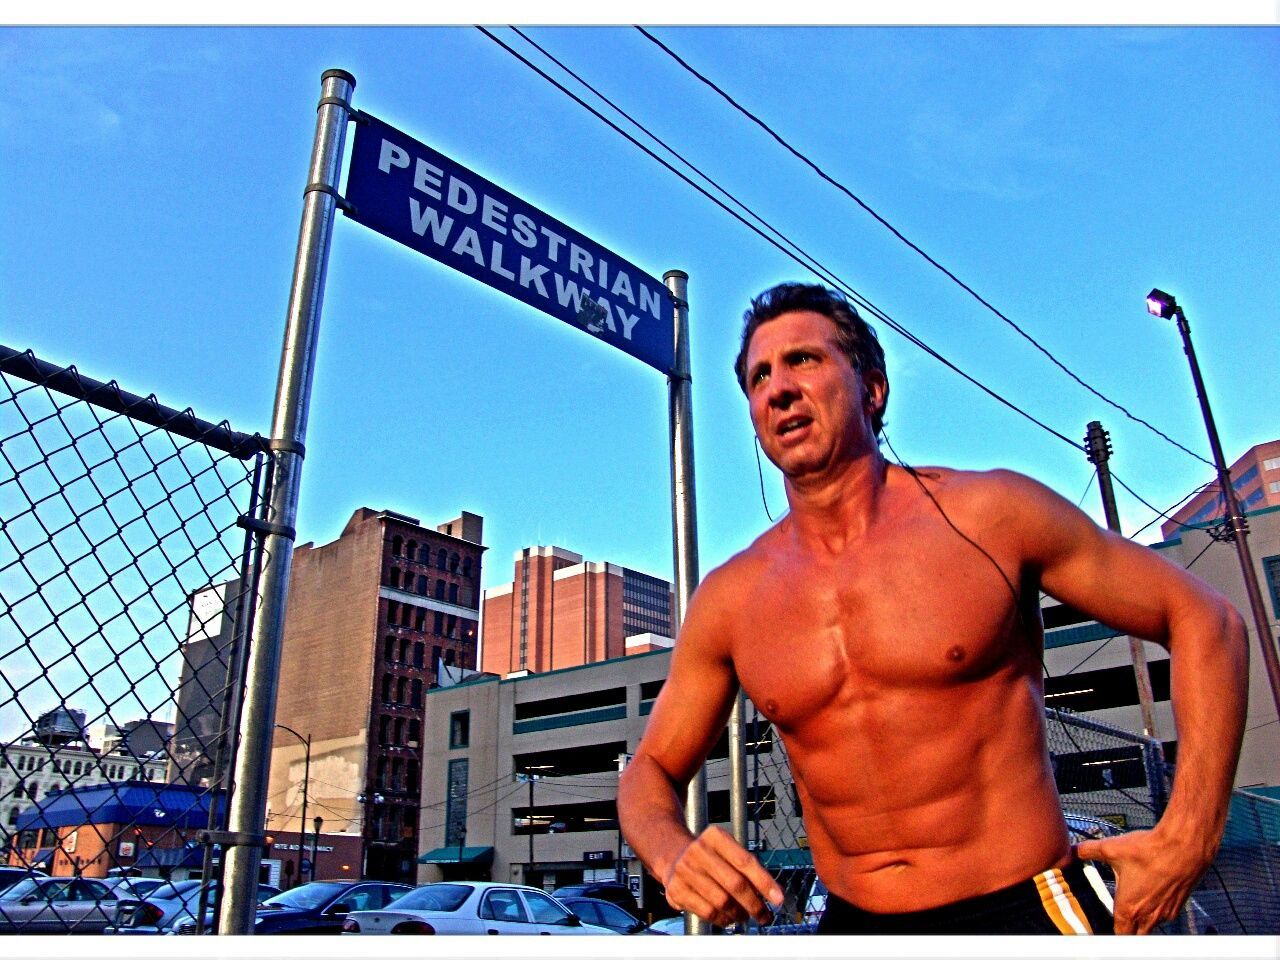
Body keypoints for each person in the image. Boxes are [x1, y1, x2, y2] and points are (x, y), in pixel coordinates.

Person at [617, 282, 1247, 935]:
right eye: (758, 377)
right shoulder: (732, 597)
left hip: (1025, 907)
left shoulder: (992, 516)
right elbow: (649, 773)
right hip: (853, 922)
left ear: (873, 387)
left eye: (803, 359)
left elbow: (1209, 621)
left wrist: (1191, 835)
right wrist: (672, 853)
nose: (776, 388)